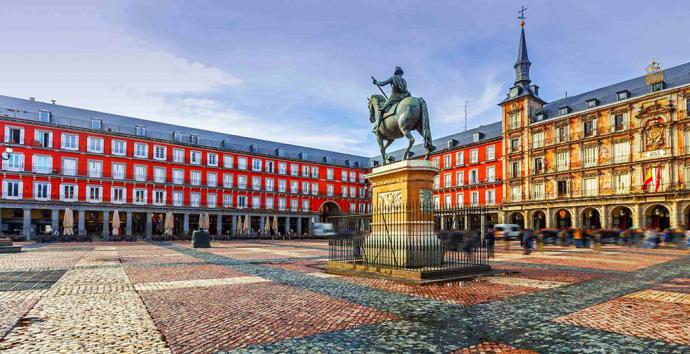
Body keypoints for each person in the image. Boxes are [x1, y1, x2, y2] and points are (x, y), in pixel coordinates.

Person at [372, 66, 411, 133]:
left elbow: (382, 83)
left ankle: (377, 128)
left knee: (381, 111)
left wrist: (376, 82)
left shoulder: (393, 77)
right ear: (401, 73)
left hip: (395, 97)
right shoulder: (404, 80)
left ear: (395, 72)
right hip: (405, 97)